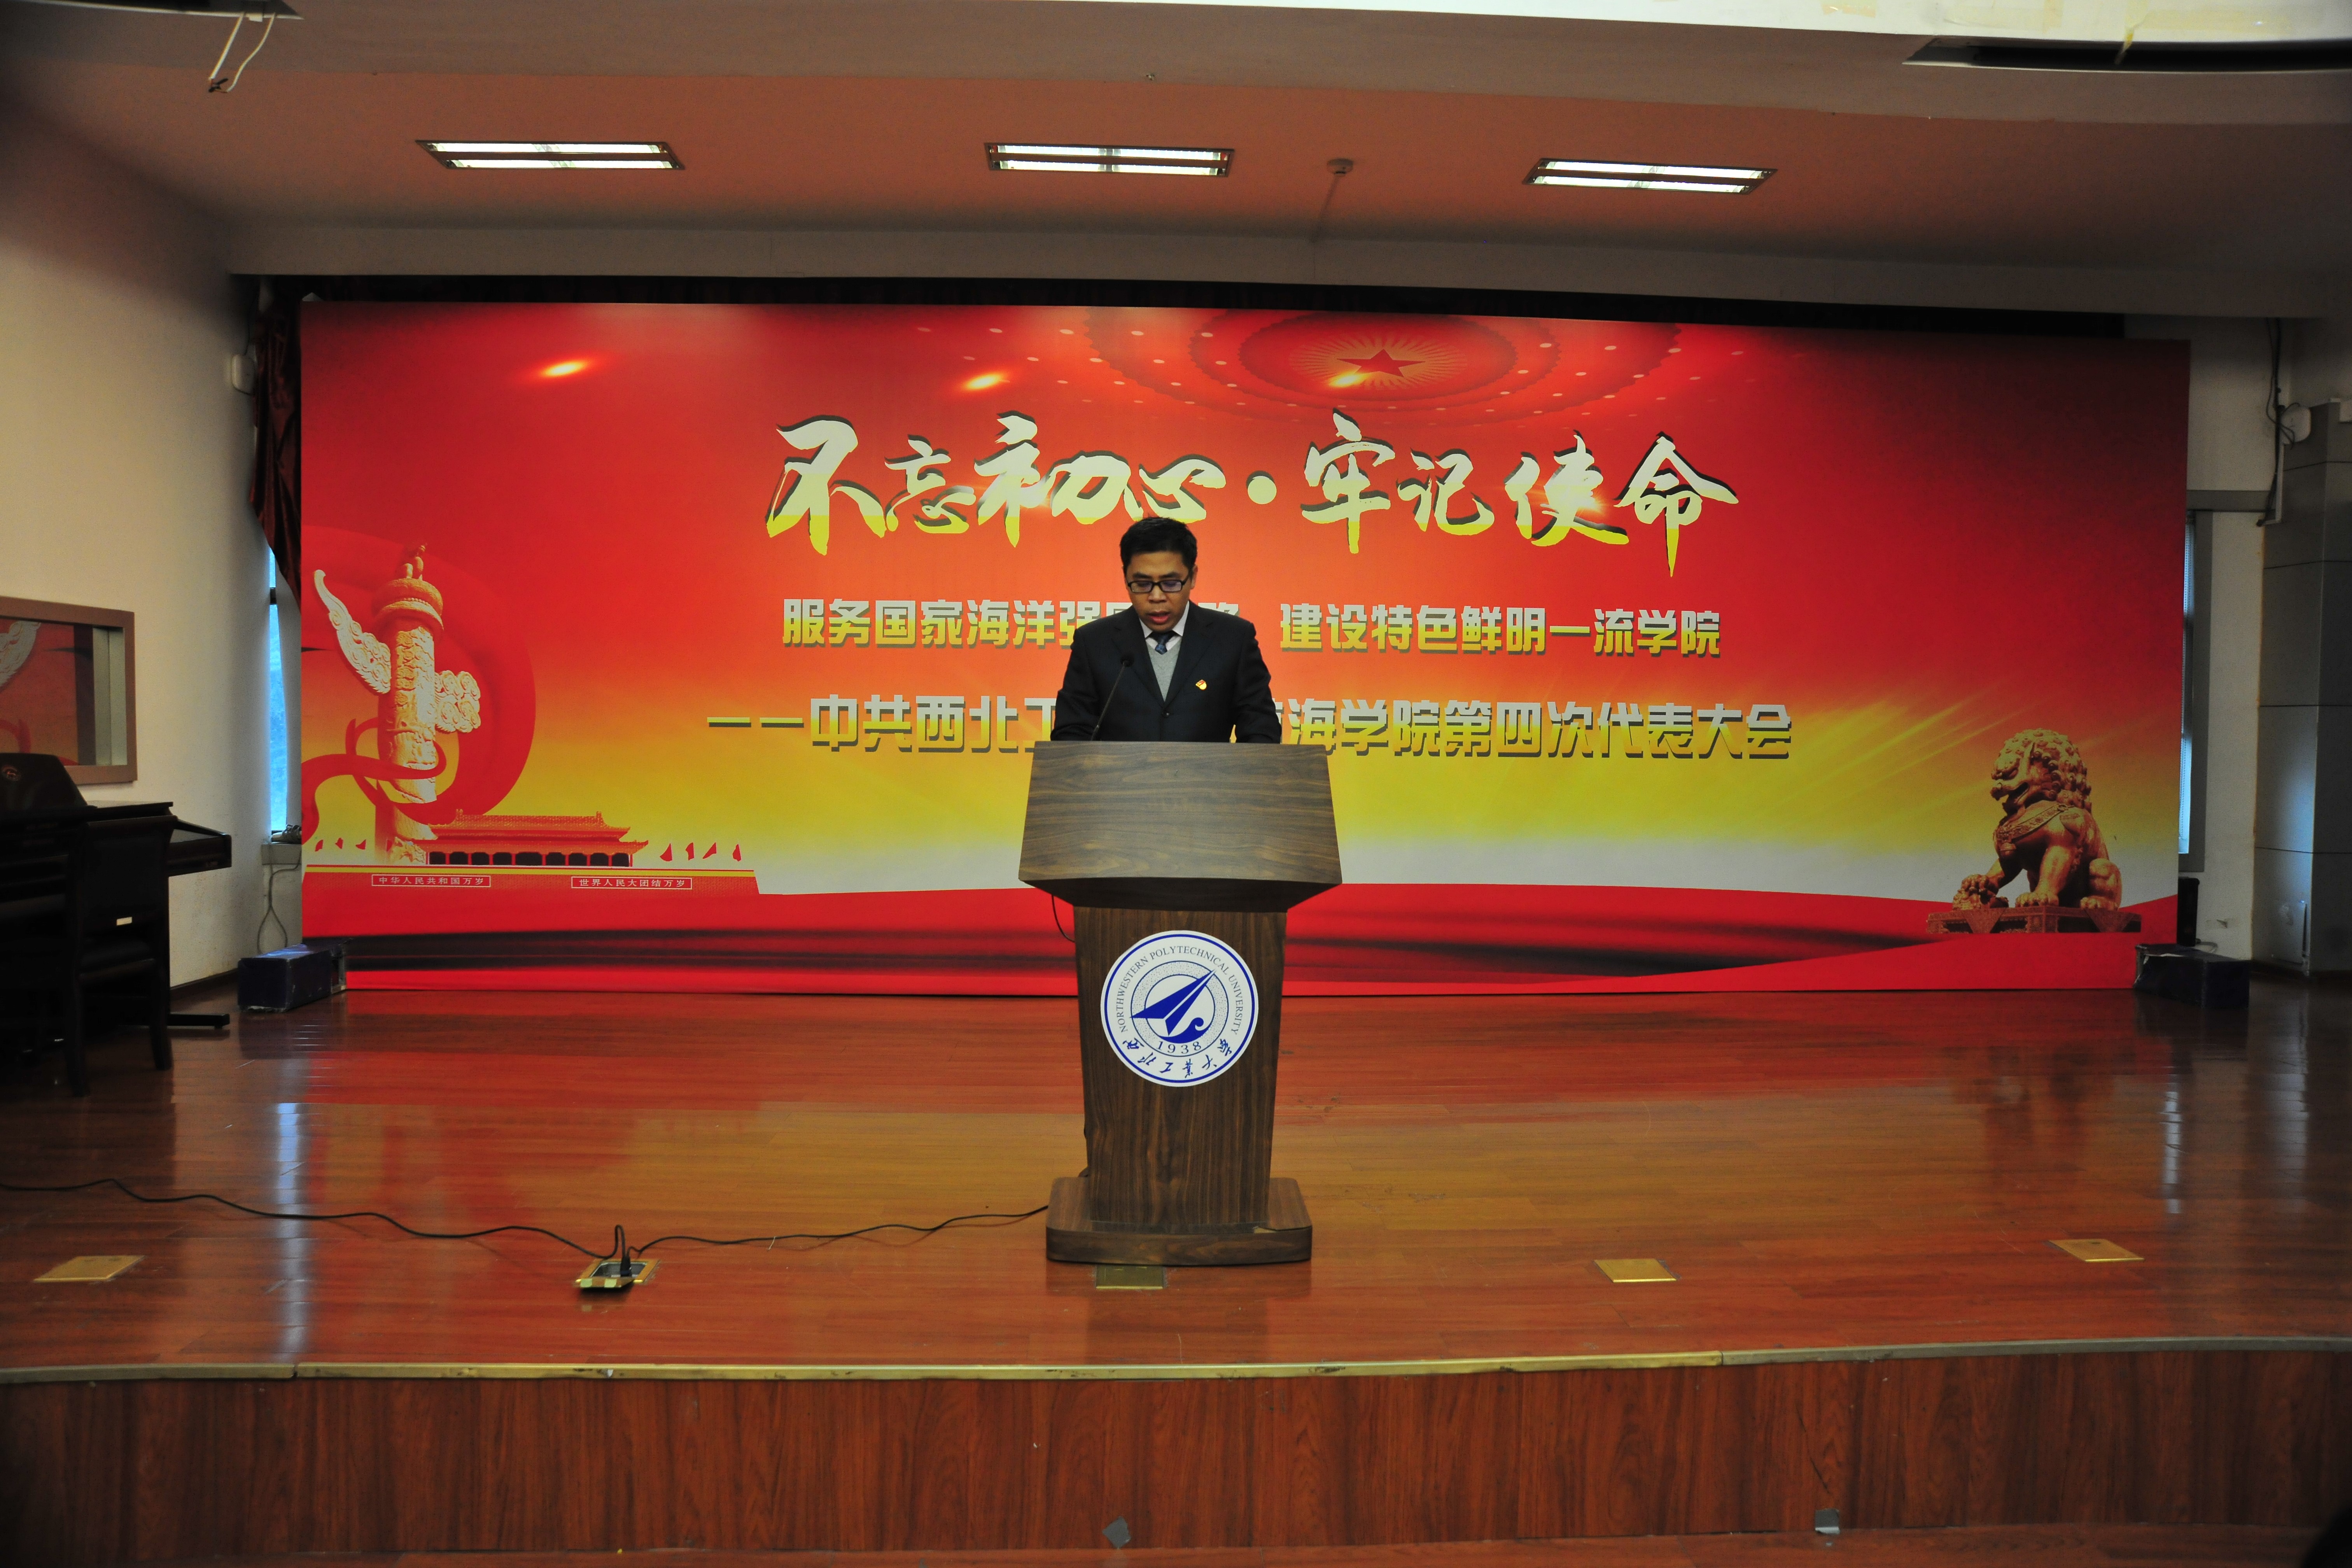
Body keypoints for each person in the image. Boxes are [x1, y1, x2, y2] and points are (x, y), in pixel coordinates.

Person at [1051, 517, 1280, 743]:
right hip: (1120, 771)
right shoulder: (1094, 642)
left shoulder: (1233, 639)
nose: (1157, 597)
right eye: (1142, 584)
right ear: (1126, 578)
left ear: (1193, 577)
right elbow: (1071, 733)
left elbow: (1261, 729)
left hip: (1210, 771)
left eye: (1171, 584)